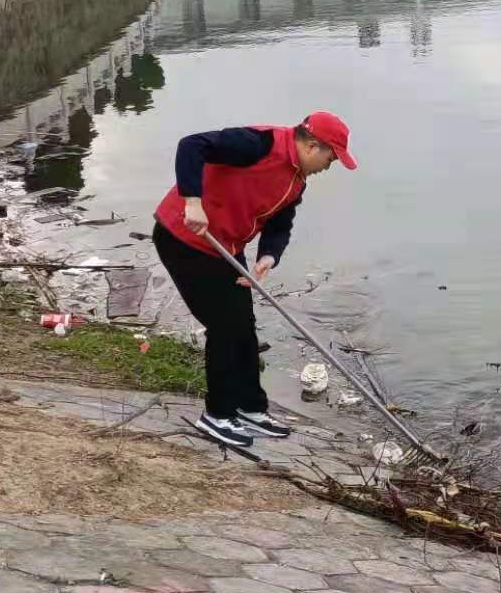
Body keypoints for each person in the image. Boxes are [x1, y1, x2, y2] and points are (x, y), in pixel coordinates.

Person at [152, 111, 357, 451]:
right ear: (312, 145)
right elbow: (191, 146)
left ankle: (250, 407)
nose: (328, 166)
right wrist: (192, 201)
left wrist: (268, 257)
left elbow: (279, 224)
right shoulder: (258, 144)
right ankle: (217, 414)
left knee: (244, 327)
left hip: (225, 248)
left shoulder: (296, 182)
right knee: (225, 326)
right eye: (330, 158)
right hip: (184, 239)